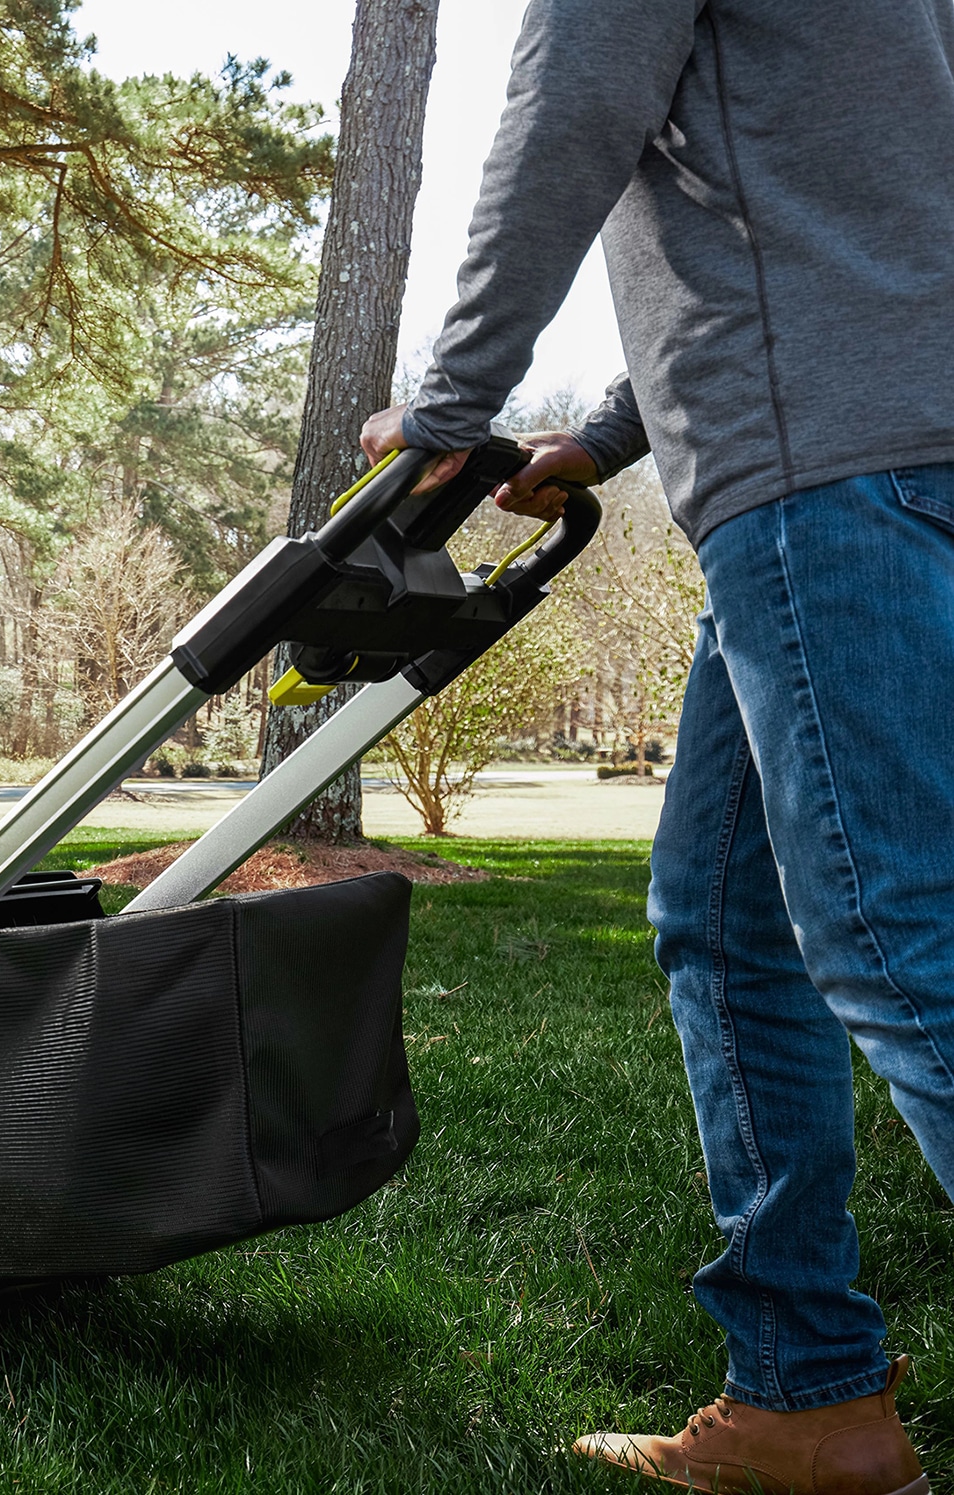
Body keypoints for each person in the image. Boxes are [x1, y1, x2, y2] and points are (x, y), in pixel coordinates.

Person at [356, 1, 954, 1491]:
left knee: (893, 946)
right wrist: (612, 433)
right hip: (869, 462)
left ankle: (805, 1390)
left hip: (822, 475)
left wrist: (446, 407)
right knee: (731, 926)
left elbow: (566, 121)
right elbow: (846, 196)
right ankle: (804, 1396)